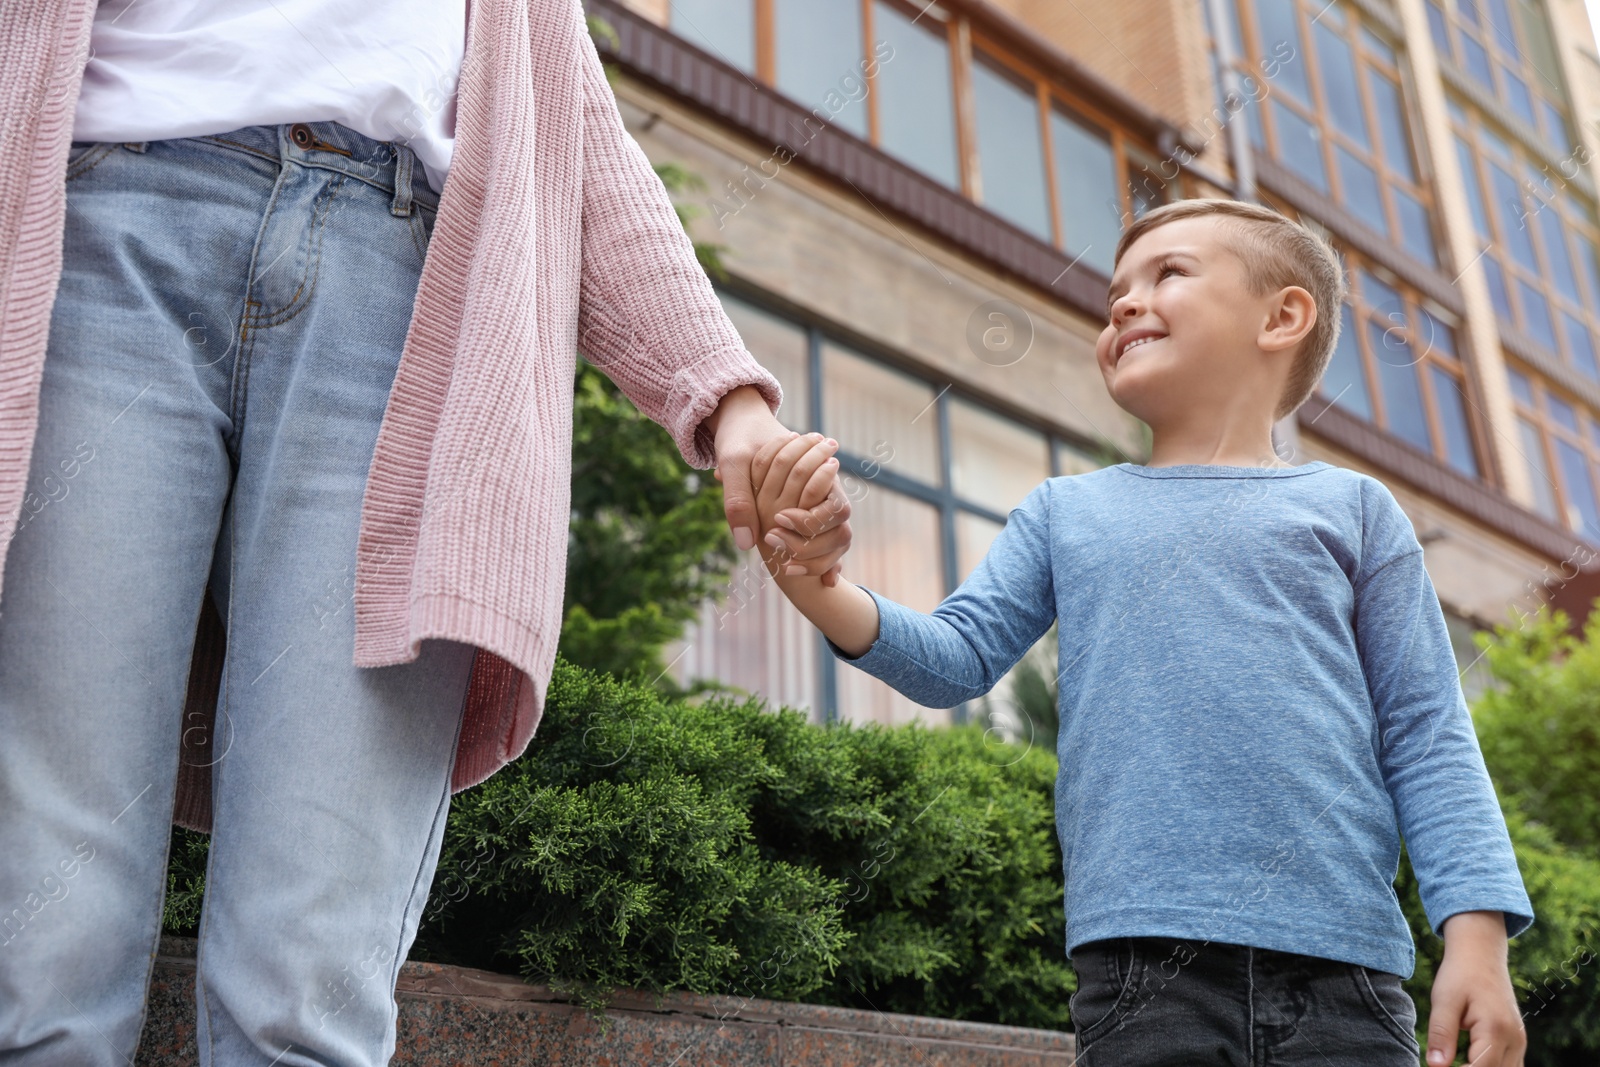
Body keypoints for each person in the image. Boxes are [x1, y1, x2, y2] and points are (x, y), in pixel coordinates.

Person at [0, 0, 847, 1063]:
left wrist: (729, 400)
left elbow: (575, 136)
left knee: (304, 985)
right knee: (40, 950)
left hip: (403, 295)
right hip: (100, 235)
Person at [745, 199, 1535, 1067]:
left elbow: (1428, 731)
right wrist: (818, 586)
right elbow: (955, 658)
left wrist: (1478, 939)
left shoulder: (1355, 511)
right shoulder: (1066, 511)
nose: (1123, 303)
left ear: (1283, 316)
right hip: (1141, 973)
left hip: (1344, 970)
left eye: (1169, 274)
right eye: (1116, 290)